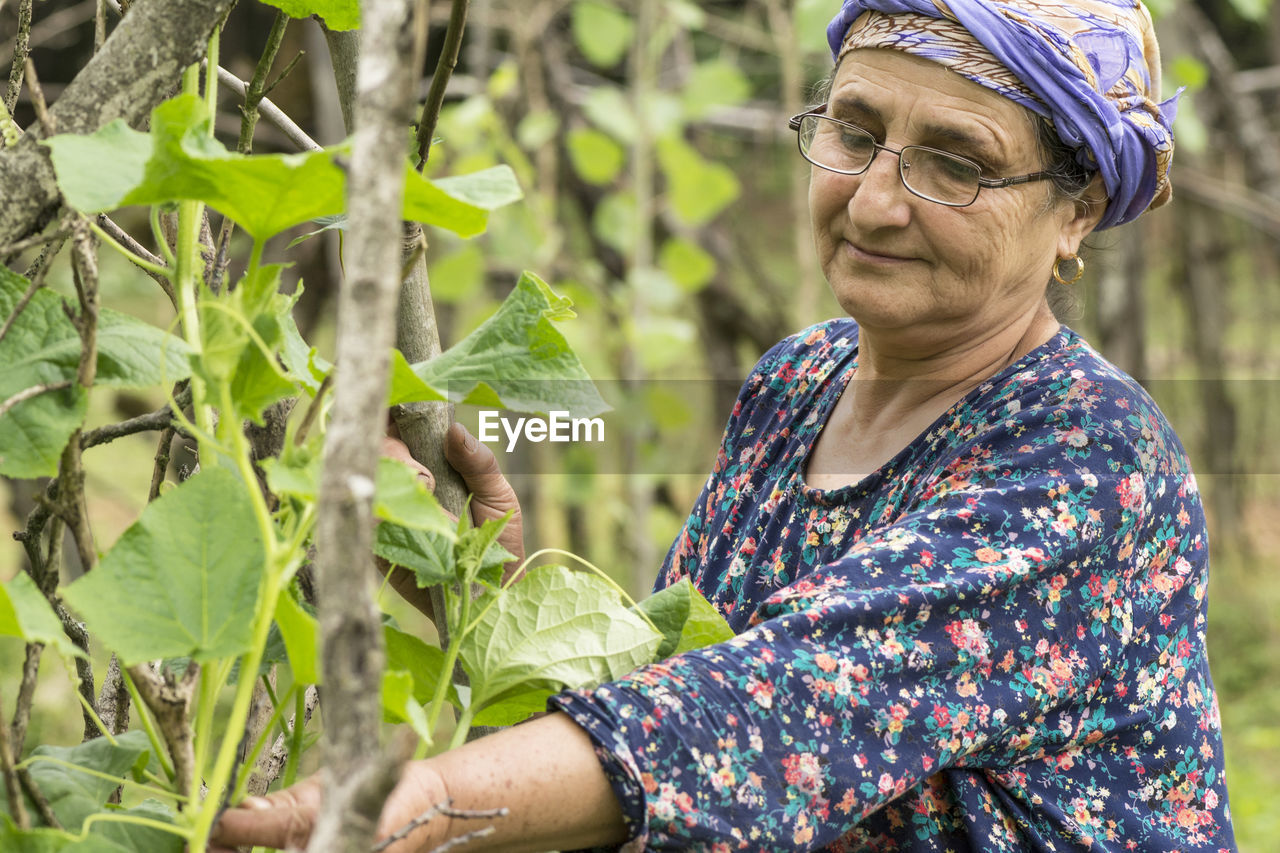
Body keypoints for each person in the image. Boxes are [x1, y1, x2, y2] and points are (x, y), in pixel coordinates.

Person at [212, 0, 1238, 849]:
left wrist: (418, 803)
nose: (873, 202)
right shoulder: (798, 381)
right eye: (852, 132)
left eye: (954, 163)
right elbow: (674, 686)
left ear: (1073, 209)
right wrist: (484, 590)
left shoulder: (1088, 456)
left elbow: (769, 715)